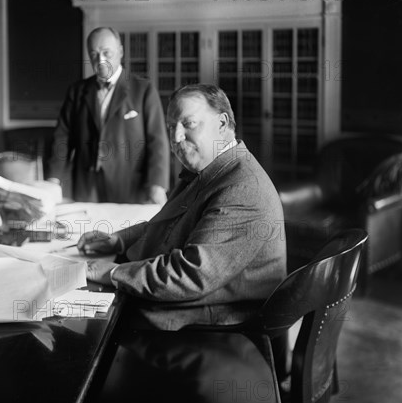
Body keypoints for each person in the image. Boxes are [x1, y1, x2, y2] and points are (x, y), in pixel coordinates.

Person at [78, 84, 287, 330]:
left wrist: (112, 273)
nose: (176, 138)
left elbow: (190, 275)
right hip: (192, 308)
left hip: (210, 328)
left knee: (85, 330)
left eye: (188, 124)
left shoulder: (243, 189)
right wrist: (118, 240)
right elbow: (171, 225)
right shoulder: (212, 168)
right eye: (170, 127)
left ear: (222, 124)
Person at [49, 27, 170, 204]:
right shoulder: (77, 91)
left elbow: (157, 141)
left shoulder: (143, 90)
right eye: (94, 54)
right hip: (86, 188)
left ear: (120, 51)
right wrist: (54, 179)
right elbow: (62, 137)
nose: (101, 60)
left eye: (107, 53)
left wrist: (157, 186)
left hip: (129, 187)